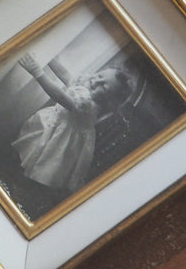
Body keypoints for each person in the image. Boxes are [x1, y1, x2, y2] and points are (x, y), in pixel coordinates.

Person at [12, 52, 133, 194]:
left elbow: (59, 96)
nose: (96, 82)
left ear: (110, 101)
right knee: (31, 151)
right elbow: (65, 75)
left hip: (61, 141)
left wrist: (37, 72)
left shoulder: (89, 107)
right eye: (100, 76)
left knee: (43, 164)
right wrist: (50, 57)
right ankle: (20, 175)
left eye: (104, 87)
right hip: (55, 124)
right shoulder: (87, 84)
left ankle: (24, 188)